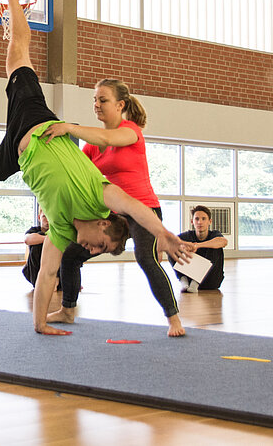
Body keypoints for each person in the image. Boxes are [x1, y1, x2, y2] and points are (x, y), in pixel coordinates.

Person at [0, 0, 193, 335]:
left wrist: (38, 324)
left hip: (18, 153)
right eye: (99, 245)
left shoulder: (62, 230)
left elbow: (46, 274)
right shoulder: (100, 190)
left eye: (96, 251)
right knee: (19, 52)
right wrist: (165, 233)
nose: (91, 249)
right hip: (35, 122)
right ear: (102, 223)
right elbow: (131, 203)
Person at [39, 78, 188, 337]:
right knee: (72, 254)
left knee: (146, 258)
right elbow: (73, 177)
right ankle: (68, 310)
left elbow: (107, 137)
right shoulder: (91, 147)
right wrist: (49, 208)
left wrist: (69, 128)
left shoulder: (131, 132)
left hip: (142, 209)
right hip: (110, 214)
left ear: (120, 105)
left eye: (103, 100)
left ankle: (174, 319)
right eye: (94, 100)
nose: (96, 104)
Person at [170, 205, 227, 292]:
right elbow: (170, 243)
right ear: (192, 221)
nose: (200, 222)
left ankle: (196, 282)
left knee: (215, 247)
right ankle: (183, 279)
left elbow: (224, 242)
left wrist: (197, 245)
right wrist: (182, 247)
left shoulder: (214, 234)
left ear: (210, 221)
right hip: (189, 280)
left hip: (211, 281)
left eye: (203, 219)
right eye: (197, 219)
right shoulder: (187, 235)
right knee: (171, 248)